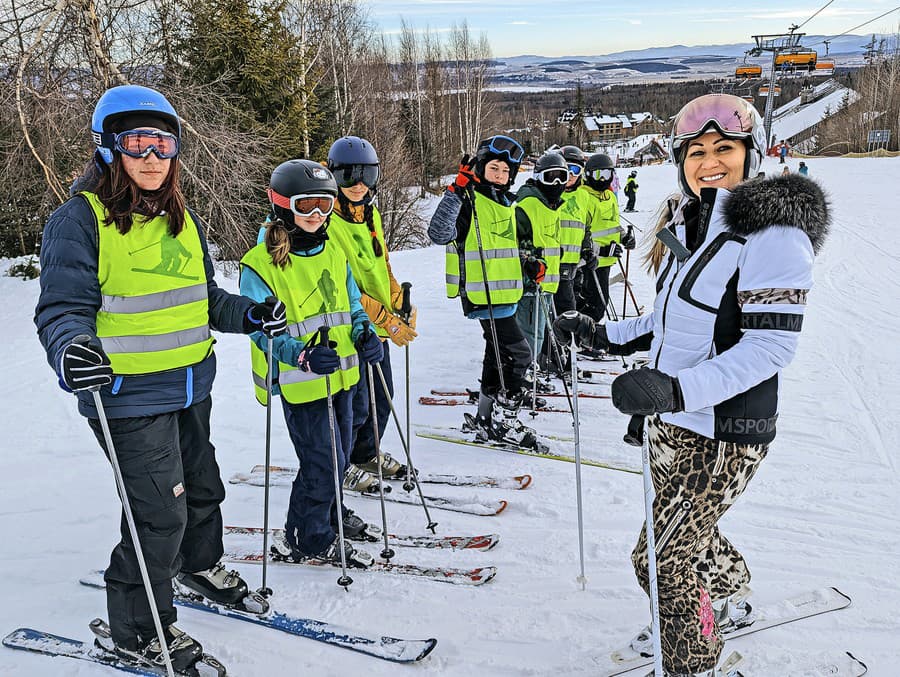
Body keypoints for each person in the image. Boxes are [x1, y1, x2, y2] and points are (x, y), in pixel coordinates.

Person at [555, 93, 829, 676]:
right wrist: (604, 335)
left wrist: (675, 391)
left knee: (660, 558)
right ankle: (725, 598)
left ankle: (693, 661)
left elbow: (771, 345)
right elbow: (669, 317)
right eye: (697, 150)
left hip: (725, 429)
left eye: (724, 148)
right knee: (680, 535)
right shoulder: (695, 222)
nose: (710, 160)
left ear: (752, 154)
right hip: (674, 425)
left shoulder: (774, 234)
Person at [35, 84, 288, 672]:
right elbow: (61, 310)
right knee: (159, 514)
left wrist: (248, 316)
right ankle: (136, 629)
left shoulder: (182, 218)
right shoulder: (78, 221)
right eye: (137, 143)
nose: (152, 157)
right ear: (107, 148)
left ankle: (198, 566)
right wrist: (73, 349)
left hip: (190, 387)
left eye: (163, 144)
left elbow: (202, 300)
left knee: (202, 490)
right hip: (124, 397)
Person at [239, 159, 380, 568]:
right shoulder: (260, 264)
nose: (317, 216)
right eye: (307, 206)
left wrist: (364, 332)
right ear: (282, 205)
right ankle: (308, 537)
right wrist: (299, 354)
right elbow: (260, 330)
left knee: (340, 453)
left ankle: (327, 514)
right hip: (303, 381)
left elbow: (351, 304)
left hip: (345, 374)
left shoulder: (333, 246)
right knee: (322, 461)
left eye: (325, 205)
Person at [428, 134, 540, 449]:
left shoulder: (507, 203)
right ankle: (506, 420)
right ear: (481, 167)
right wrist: (457, 189)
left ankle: (486, 417)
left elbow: (506, 248)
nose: (500, 176)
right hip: (483, 296)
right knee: (520, 355)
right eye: (494, 168)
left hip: (507, 296)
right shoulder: (469, 200)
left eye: (506, 172)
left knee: (498, 356)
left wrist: (529, 265)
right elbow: (438, 233)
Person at [325, 136, 417, 495]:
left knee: (383, 396)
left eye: (366, 174)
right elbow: (343, 287)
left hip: (379, 327)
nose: (358, 184)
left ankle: (365, 453)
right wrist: (385, 319)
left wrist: (400, 304)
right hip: (351, 327)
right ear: (334, 177)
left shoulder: (371, 214)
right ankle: (343, 461)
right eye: (349, 176)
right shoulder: (327, 222)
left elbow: (382, 266)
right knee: (355, 404)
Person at [512, 151, 565, 394]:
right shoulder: (528, 204)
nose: (556, 184)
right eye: (550, 178)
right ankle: (520, 379)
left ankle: (528, 373)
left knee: (538, 335)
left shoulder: (550, 205)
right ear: (538, 178)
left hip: (547, 283)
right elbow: (514, 242)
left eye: (561, 177)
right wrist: (528, 262)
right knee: (529, 335)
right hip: (530, 285)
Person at [579, 153, 634, 325]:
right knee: (594, 305)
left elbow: (613, 224)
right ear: (588, 175)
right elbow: (579, 234)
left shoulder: (609, 196)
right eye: (598, 175)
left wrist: (624, 238)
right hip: (589, 262)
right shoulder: (583, 196)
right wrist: (601, 250)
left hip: (607, 261)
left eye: (608, 174)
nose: (603, 179)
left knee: (599, 303)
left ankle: (586, 336)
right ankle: (579, 337)